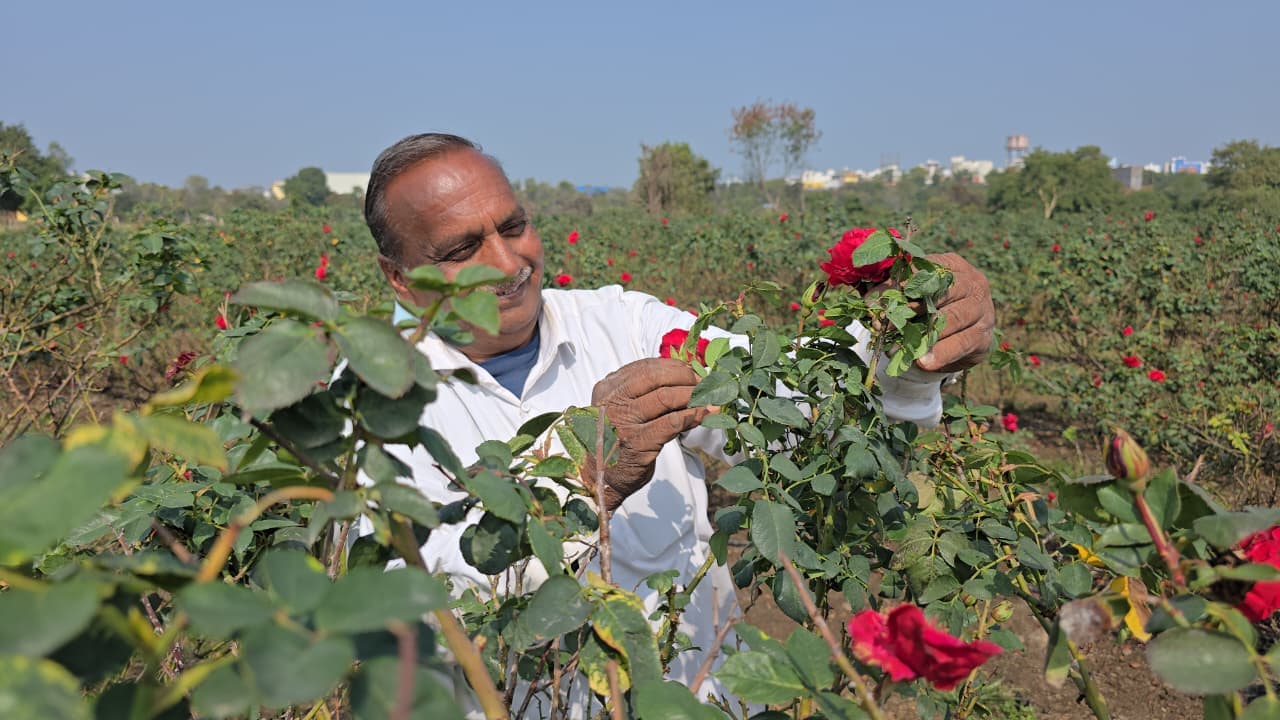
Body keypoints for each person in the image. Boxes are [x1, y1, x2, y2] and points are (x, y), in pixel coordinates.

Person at [364, 133, 995, 714]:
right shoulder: (364, 413)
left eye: (513, 226)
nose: (507, 262)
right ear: (400, 279)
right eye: (461, 249)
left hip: (701, 699)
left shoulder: (626, 327)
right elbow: (403, 622)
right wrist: (579, 482)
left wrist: (908, 344)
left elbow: (791, 408)